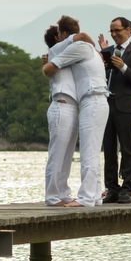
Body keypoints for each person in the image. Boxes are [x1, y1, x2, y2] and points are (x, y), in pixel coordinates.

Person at [42, 15, 108, 208]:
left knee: (85, 152)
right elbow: (76, 40)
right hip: (66, 104)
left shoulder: (78, 50)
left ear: (63, 34)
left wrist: (80, 39)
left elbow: (79, 40)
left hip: (87, 102)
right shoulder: (63, 50)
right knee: (64, 153)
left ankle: (84, 196)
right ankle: (60, 196)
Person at [97, 17, 131, 204]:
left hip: (126, 105)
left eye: (117, 30)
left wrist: (123, 67)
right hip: (105, 105)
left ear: (129, 30)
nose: (114, 34)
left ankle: (128, 188)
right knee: (109, 149)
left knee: (128, 148)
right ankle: (111, 187)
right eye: (112, 30)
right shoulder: (107, 52)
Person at [42, 24, 78, 206]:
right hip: (61, 105)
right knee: (57, 153)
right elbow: (76, 38)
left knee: (67, 154)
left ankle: (63, 192)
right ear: (58, 38)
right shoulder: (56, 50)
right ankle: (52, 195)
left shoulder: (64, 56)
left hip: (73, 107)